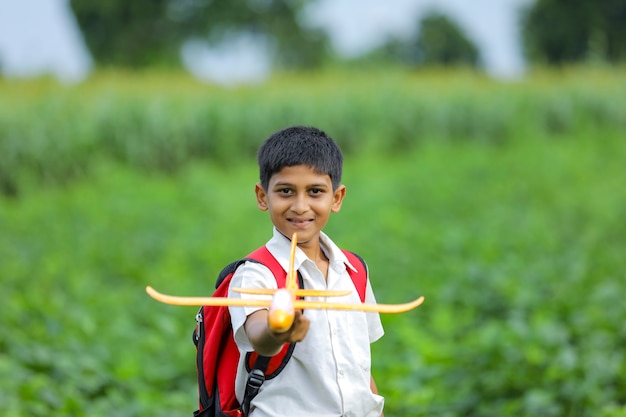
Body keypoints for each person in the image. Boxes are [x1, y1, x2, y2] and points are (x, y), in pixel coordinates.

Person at [228, 125, 385, 417]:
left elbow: (360, 368)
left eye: (315, 192)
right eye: (285, 191)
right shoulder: (256, 274)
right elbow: (259, 334)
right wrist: (278, 328)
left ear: (336, 198)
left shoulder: (353, 271)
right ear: (263, 197)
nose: (301, 206)